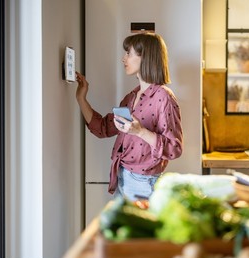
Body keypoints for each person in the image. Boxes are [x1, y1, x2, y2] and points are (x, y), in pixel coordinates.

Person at [75, 32, 183, 201]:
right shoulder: (131, 97)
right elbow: (103, 128)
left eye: (128, 53)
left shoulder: (164, 97)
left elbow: (174, 148)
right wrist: (81, 98)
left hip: (144, 183)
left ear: (145, 57)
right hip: (122, 175)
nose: (123, 58)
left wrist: (140, 132)